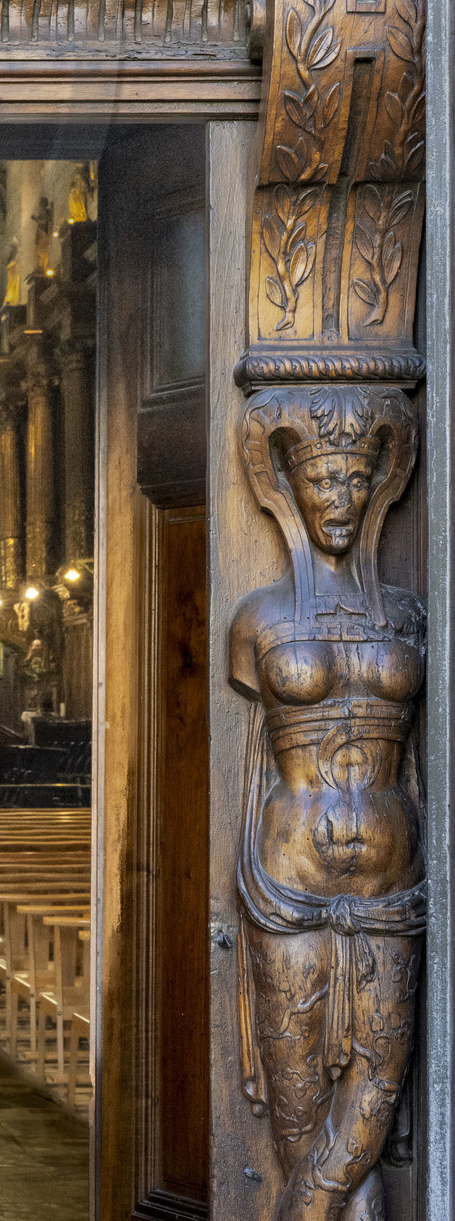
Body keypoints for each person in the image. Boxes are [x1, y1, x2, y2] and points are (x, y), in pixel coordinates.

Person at [230, 387, 425, 1212]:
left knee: (380, 1084)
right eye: (322, 483)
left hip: (390, 884)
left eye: (353, 482)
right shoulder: (257, 618)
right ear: (291, 487)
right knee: (299, 1091)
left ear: (377, 486)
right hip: (288, 876)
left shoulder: (410, 615)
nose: (337, 500)